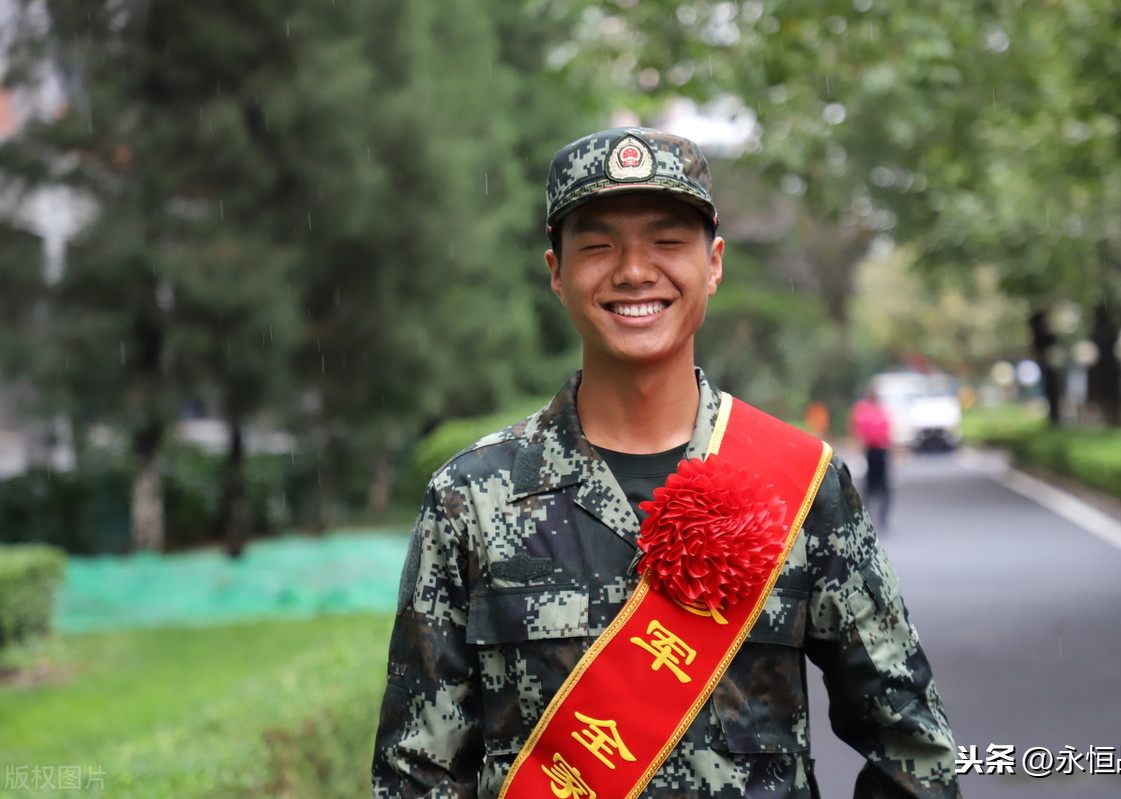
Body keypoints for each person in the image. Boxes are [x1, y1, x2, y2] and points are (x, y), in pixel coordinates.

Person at [372, 127, 961, 798]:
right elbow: (416, 772)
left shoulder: (800, 482)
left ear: (713, 264)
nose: (633, 270)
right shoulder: (471, 498)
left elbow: (911, 745)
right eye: (597, 245)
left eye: (667, 242)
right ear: (556, 273)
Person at [850, 385, 893, 532]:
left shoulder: (880, 409)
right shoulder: (863, 409)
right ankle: (867, 516)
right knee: (868, 486)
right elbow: (858, 431)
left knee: (883, 486)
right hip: (870, 451)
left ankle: (882, 518)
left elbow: (887, 431)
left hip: (881, 450)